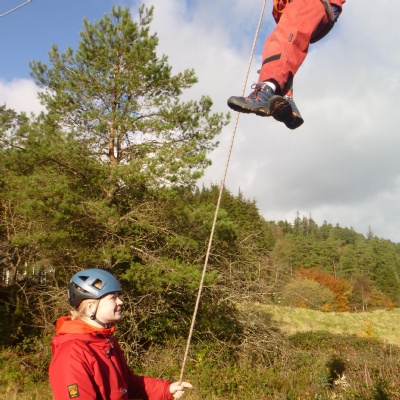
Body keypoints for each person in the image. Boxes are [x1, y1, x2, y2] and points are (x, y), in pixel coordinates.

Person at [49, 268, 193, 400]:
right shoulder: (72, 352)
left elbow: (126, 384)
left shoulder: (105, 340)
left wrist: (166, 389)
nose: (120, 301)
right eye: (112, 297)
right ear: (91, 307)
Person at [227, 0, 346, 129]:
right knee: (290, 44)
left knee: (282, 40)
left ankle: (266, 91)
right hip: (319, 9)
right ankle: (286, 100)